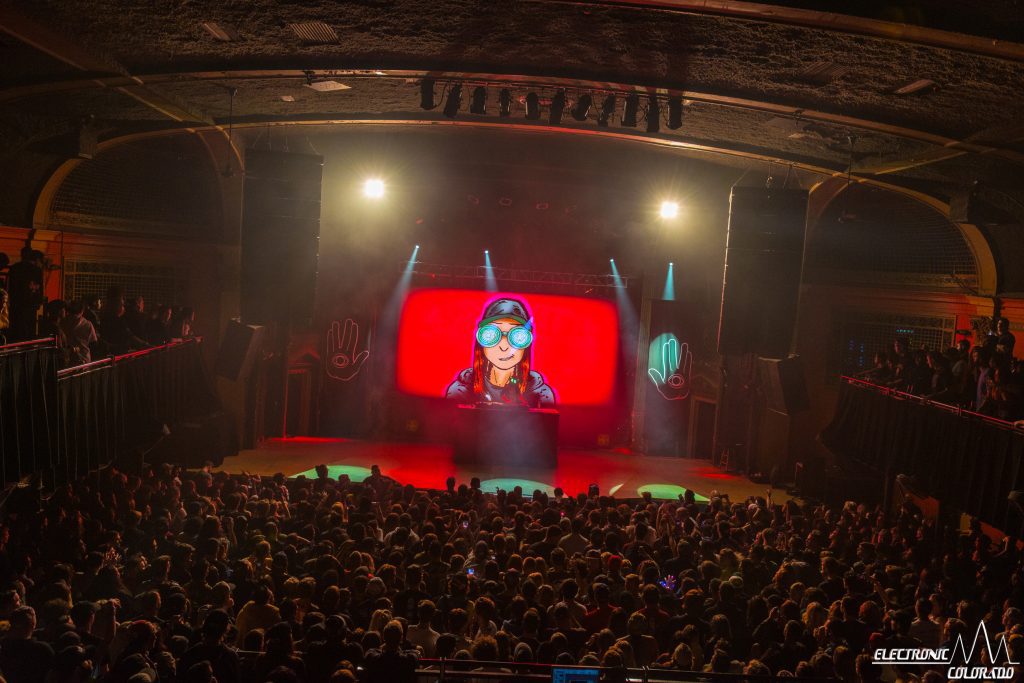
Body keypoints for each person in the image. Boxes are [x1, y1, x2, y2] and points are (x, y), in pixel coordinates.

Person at [445, 297, 555, 407]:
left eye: (517, 336)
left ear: (526, 343)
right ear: (482, 340)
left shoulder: (539, 394)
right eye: (492, 335)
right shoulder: (462, 390)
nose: (504, 346)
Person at [5, 247, 44, 341]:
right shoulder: (37, 270)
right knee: (28, 332)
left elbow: (9, 286)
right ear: (37, 259)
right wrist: (38, 302)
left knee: (16, 331)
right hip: (30, 306)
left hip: (15, 305)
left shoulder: (14, 268)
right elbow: (39, 289)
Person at [60, 300, 98, 366]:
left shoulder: (63, 322)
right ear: (82, 311)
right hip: (83, 359)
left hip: (68, 360)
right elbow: (93, 342)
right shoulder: (87, 324)